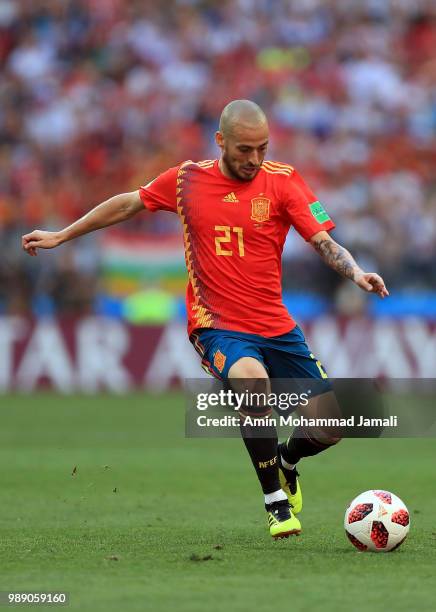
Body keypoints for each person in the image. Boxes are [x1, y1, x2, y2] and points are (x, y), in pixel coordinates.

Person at [22, 99, 389, 540]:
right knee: (252, 382)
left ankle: (287, 464)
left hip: (275, 324)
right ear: (221, 141)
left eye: (262, 148)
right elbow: (129, 204)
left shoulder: (285, 181)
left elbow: (325, 242)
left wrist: (356, 272)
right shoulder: (186, 180)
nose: (254, 159)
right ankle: (275, 502)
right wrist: (63, 234)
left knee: (331, 424)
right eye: (244, 149)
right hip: (216, 323)